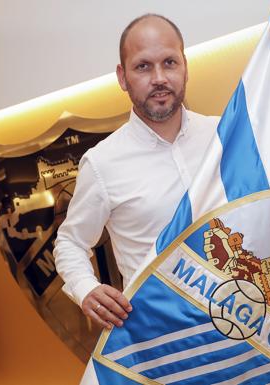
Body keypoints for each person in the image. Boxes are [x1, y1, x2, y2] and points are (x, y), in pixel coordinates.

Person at [54, 14, 220, 330]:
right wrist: (85, 289)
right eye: (143, 66)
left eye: (169, 62)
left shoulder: (226, 134)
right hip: (166, 340)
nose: (159, 77)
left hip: (248, 329)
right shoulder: (102, 163)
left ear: (185, 66)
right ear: (122, 76)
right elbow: (70, 242)